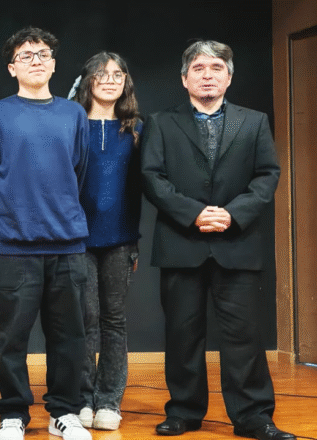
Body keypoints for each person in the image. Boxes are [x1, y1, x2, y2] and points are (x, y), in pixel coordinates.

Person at [141, 40, 294, 440]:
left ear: (229, 76)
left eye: (216, 68)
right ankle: (184, 412)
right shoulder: (161, 122)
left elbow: (267, 175)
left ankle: (253, 416)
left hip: (237, 243)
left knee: (245, 337)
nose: (207, 75)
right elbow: (152, 178)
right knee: (181, 335)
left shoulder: (255, 121)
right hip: (181, 243)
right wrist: (194, 213)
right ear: (184, 78)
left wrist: (233, 213)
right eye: (198, 68)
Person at [0, 26, 92, 440]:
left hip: (67, 245)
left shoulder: (74, 114)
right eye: (26, 55)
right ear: (11, 68)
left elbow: (80, 172)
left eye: (43, 54)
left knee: (69, 337)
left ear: (54, 64)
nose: (36, 60)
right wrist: (12, 214)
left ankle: (65, 412)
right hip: (12, 246)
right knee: (11, 339)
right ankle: (13, 414)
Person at [70, 52, 142, 431]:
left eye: (118, 74)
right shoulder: (71, 125)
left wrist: (134, 241)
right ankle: (82, 397)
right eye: (102, 73)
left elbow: (142, 188)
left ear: (125, 83)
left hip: (120, 240)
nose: (111, 80)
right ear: (88, 81)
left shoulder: (136, 130)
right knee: (84, 319)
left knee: (114, 320)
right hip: (78, 239)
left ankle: (109, 401)